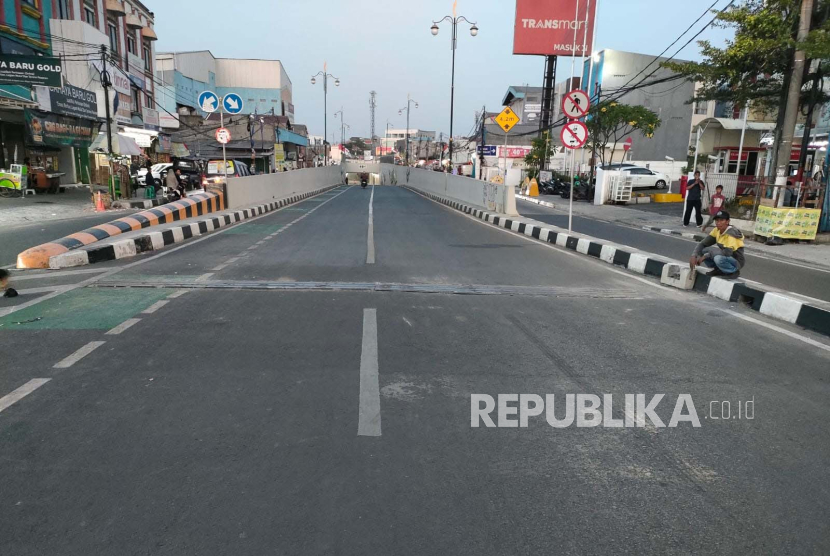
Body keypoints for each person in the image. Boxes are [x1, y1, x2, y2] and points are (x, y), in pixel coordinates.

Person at [690, 210, 745, 279]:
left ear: (727, 221)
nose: (718, 223)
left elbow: (727, 252)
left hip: (736, 261)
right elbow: (703, 244)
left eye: (721, 220)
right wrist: (694, 256)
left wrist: (706, 256)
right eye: (717, 220)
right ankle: (719, 269)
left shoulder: (731, 233)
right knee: (703, 250)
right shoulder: (717, 230)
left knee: (718, 258)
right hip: (725, 257)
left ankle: (733, 272)